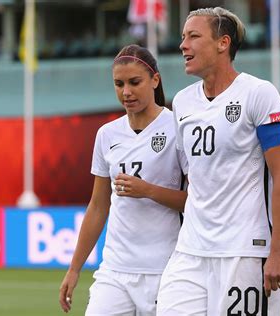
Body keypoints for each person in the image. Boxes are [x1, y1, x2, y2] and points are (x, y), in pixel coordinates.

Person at [156, 7, 280, 315]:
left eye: (193, 36)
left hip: (245, 250)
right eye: (182, 37)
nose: (183, 45)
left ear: (223, 43)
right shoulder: (182, 102)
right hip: (190, 250)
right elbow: (194, 177)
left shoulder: (259, 93)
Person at [59, 44, 188, 315]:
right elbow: (97, 206)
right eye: (119, 84)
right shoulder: (107, 134)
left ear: (155, 80)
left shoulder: (179, 128)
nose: (126, 92)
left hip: (165, 270)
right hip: (115, 271)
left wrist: (148, 190)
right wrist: (74, 269)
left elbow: (195, 202)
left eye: (134, 82)